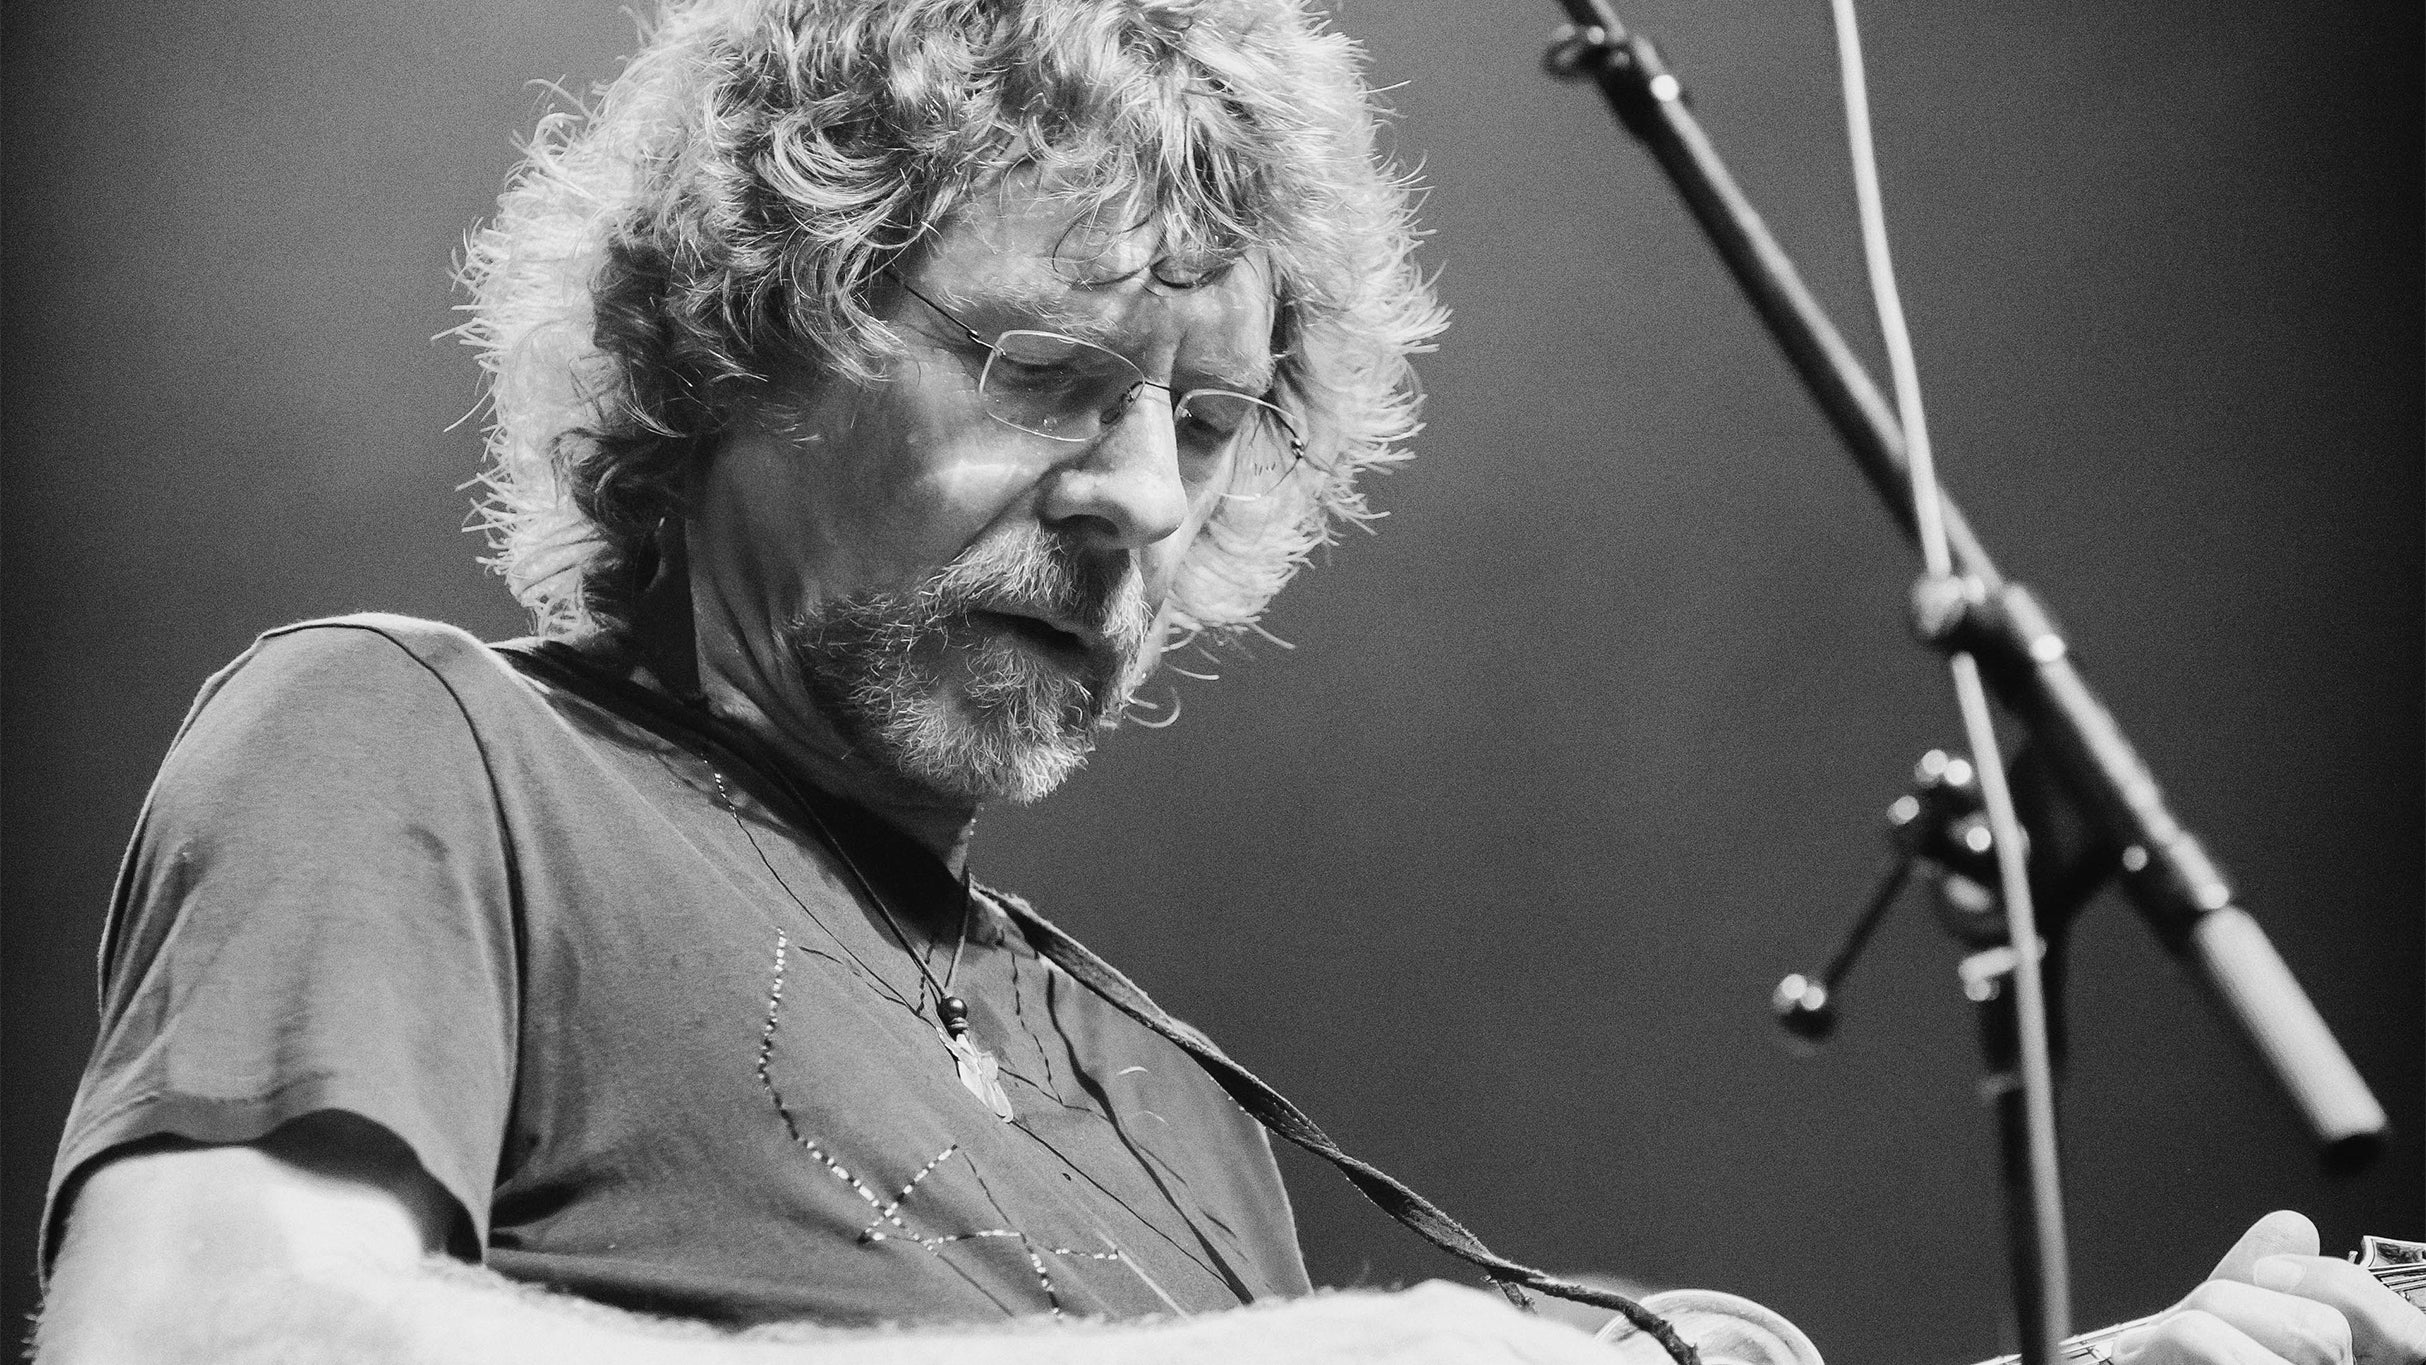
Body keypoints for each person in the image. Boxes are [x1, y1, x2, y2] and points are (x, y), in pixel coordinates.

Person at [31, 1, 2426, 1362]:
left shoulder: (1166, 1111)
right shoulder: (413, 738)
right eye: (1052, 371)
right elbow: (198, 1333)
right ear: (738, 333)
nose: (1143, 500)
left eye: (1205, 417)